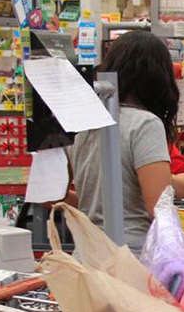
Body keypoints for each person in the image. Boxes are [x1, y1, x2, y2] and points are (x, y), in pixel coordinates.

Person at [67, 30, 175, 254]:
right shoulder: (145, 124)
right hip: (133, 259)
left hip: (86, 254)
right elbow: (159, 208)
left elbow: (53, 196)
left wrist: (96, 213)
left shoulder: (83, 124)